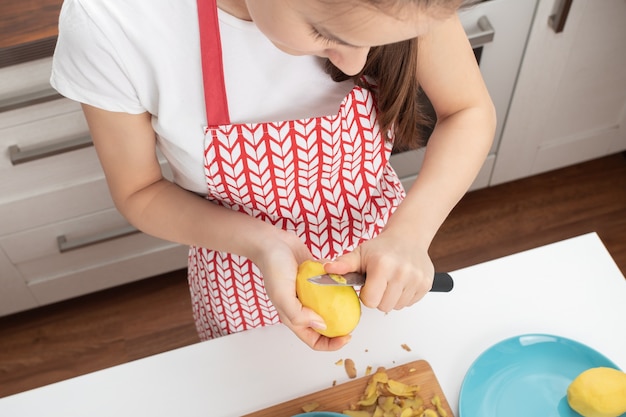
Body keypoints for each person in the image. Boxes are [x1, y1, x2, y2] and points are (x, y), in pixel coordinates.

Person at [51, 0, 496, 351]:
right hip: (239, 276)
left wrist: (409, 235)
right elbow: (139, 192)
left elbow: (468, 111)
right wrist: (266, 244)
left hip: (385, 262)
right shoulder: (113, 20)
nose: (356, 66)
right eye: (327, 33)